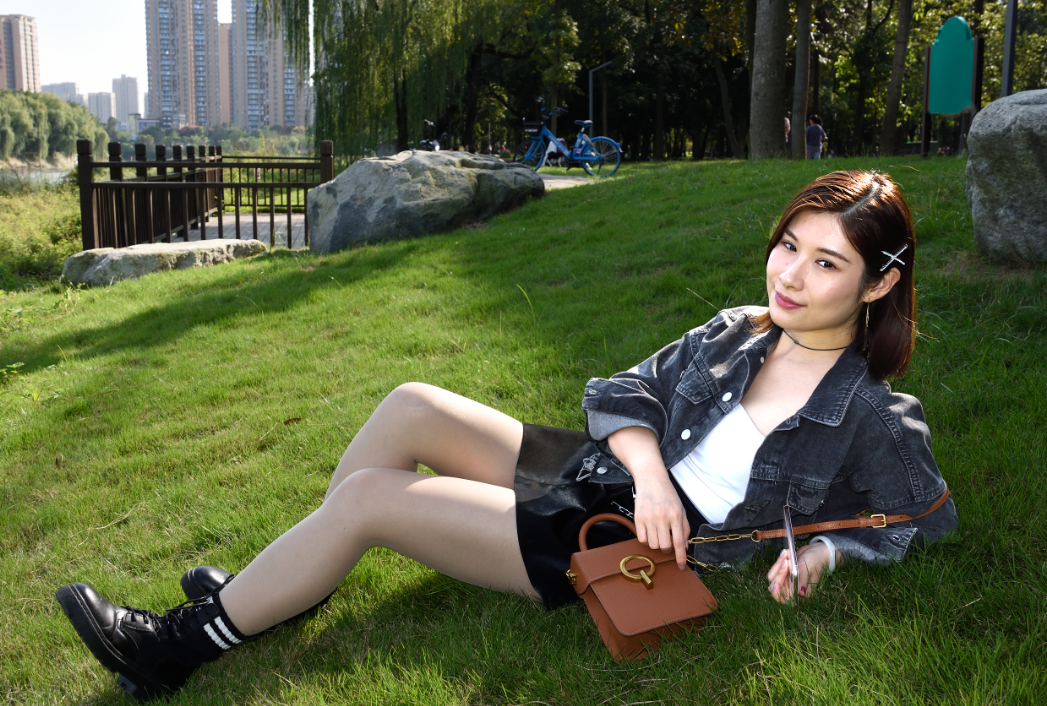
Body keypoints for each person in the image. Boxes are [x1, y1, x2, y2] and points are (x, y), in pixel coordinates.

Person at [55, 170, 957, 701]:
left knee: (369, 501)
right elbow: (622, 393)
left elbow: (923, 520)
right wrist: (647, 470)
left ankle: (174, 647)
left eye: (825, 262)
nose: (790, 275)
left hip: (617, 541)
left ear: (877, 284)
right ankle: (283, 586)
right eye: (788, 245)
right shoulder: (738, 328)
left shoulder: (871, 415)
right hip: (608, 474)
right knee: (410, 403)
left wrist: (823, 556)